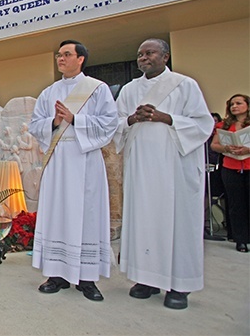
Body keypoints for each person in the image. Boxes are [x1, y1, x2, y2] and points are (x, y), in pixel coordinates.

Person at [114, 38, 213, 310]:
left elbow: (204, 124)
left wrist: (166, 118)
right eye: (140, 54)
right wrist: (133, 119)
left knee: (177, 222)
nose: (143, 57)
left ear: (165, 56)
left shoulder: (184, 85)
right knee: (144, 220)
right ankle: (146, 279)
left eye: (150, 53)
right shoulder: (130, 89)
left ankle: (179, 284)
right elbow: (116, 123)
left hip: (174, 169)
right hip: (141, 167)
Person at [28, 40, 117, 302]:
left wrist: (75, 119)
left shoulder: (97, 89)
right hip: (58, 158)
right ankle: (57, 274)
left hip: (85, 158)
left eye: (67, 54)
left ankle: (87, 278)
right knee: (57, 211)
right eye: (59, 55)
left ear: (81, 59)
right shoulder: (49, 92)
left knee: (86, 213)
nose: (61, 59)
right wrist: (54, 122)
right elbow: (35, 125)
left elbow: (109, 122)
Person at [210, 94, 250, 252]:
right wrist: (225, 148)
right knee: (235, 203)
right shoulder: (223, 125)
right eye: (232, 104)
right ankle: (241, 239)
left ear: (247, 105)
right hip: (230, 167)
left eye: (239, 103)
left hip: (248, 165)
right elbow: (214, 145)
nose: (235, 106)